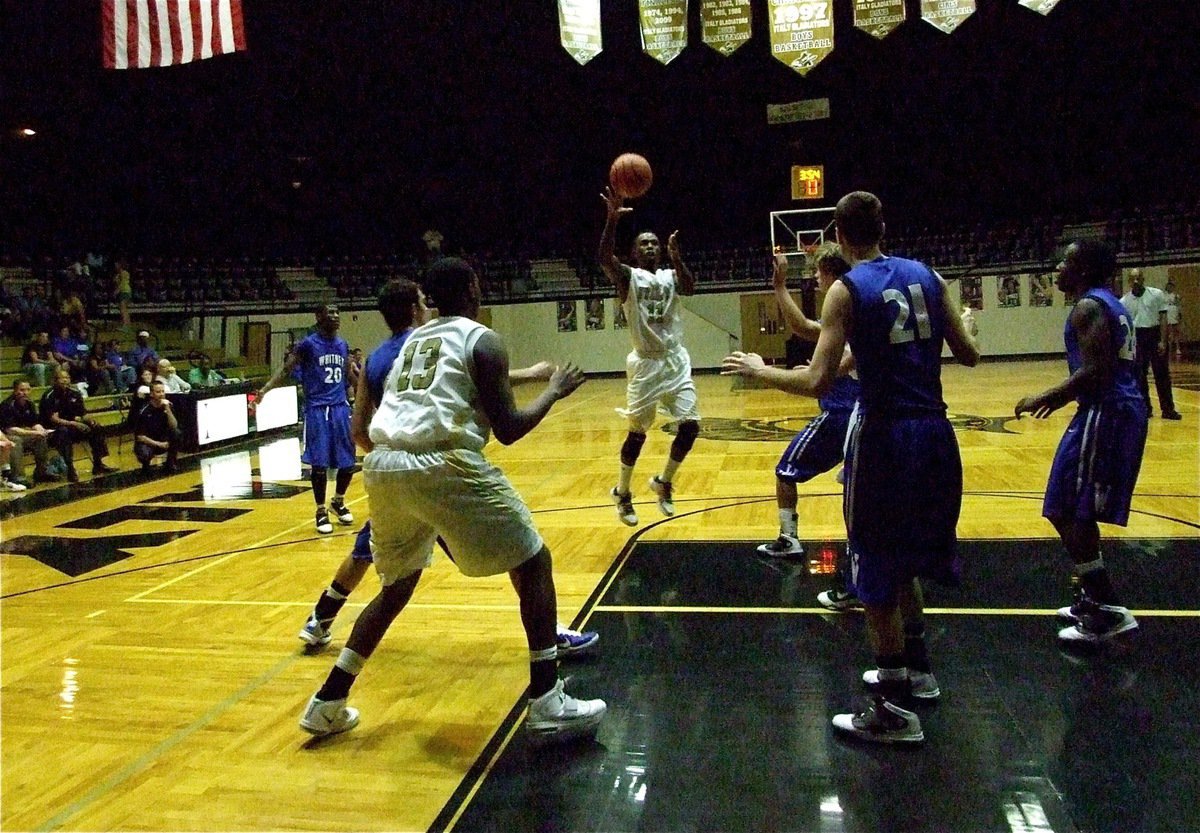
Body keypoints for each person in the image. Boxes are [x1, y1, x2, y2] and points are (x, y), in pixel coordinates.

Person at [299, 257, 606, 744]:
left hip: (384, 467)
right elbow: (507, 430)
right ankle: (547, 698)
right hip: (442, 463)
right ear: (471, 288)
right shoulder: (481, 338)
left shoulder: (412, 341)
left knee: (396, 588)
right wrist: (552, 392)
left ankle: (326, 703)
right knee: (535, 562)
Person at [723, 191, 980, 744]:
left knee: (873, 566)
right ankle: (919, 672)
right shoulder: (927, 277)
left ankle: (889, 709)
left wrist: (759, 370)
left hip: (884, 436)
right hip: (935, 433)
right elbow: (970, 354)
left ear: (838, 233)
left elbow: (818, 380)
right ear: (883, 226)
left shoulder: (846, 289)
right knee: (908, 554)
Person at [1016, 241, 1147, 645]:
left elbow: (1097, 371)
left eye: (1066, 261)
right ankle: (1095, 598)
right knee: (1068, 507)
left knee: (1064, 507)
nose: (1057, 267)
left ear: (1085, 269)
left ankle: (1106, 608)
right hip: (1113, 410)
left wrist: (1047, 397)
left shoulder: (1089, 307)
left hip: (1106, 411)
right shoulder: (1108, 302)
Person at [756, 247, 864, 611]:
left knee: (786, 471)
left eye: (818, 273)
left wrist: (766, 370)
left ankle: (790, 539)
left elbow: (821, 377)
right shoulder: (853, 312)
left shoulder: (847, 311)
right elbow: (801, 326)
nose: (815, 279)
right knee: (861, 501)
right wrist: (779, 286)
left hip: (842, 414)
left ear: (830, 273)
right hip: (860, 417)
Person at [599, 186, 700, 526]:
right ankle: (623, 492)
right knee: (637, 434)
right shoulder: (629, 278)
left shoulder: (672, 275)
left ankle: (664, 482)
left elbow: (690, 287)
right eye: (643, 242)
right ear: (634, 251)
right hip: (645, 363)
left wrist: (677, 256)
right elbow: (603, 260)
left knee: (691, 426)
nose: (650, 246)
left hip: (675, 360)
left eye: (654, 242)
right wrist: (612, 220)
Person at [257, 303, 356, 535]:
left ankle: (338, 501)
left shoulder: (342, 345)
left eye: (337, 312)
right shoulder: (308, 344)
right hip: (317, 409)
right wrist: (265, 389)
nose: (334, 316)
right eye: (329, 312)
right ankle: (321, 510)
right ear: (318, 316)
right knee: (319, 464)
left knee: (348, 462)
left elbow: (349, 376)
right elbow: (285, 369)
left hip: (340, 407)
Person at [1119, 269, 1181, 419]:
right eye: (1132, 279)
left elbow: (1163, 318)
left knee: (1162, 374)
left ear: (1143, 279)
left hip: (1154, 334)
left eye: (1138, 278)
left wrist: (1162, 340)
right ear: (1128, 281)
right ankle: (1146, 408)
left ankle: (1168, 409)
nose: (1136, 281)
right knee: (1139, 375)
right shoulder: (1124, 301)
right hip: (1137, 337)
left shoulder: (1156, 294)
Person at [39, 368, 118, 482]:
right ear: (55, 380)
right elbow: (54, 419)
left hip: (73, 426)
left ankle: (98, 463)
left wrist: (90, 420)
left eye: (67, 378)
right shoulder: (50, 396)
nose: (65, 380)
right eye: (62, 378)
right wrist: (75, 424)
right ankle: (70, 468)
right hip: (54, 429)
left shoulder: (74, 393)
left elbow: (82, 413)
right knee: (63, 432)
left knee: (96, 428)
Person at [0, 380, 57, 484]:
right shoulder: (7, 405)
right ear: (15, 391)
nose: (25, 393)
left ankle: (42, 472)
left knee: (41, 437)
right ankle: (18, 477)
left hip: (24, 433)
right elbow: (11, 429)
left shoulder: (29, 404)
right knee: (16, 441)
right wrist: (34, 433)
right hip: (7, 435)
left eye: (27, 390)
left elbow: (34, 422)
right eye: (22, 390)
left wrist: (41, 430)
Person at [131, 380, 180, 472]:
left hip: (163, 438)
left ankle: (171, 462)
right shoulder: (144, 411)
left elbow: (174, 426)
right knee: (144, 452)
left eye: (162, 391)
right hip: (148, 442)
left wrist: (167, 409)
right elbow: (140, 437)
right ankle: (146, 466)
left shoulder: (168, 406)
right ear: (151, 394)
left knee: (177, 433)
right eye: (158, 392)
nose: (161, 394)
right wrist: (159, 444)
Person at [1163, 279, 1182, 362]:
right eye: (1168, 286)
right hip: (1167, 312)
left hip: (1174, 312)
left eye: (1171, 286)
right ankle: (1169, 349)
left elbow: (1178, 305)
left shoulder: (1176, 296)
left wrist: (1179, 314)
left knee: (1176, 332)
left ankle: (1178, 348)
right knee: (1168, 332)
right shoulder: (1164, 295)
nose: (1170, 288)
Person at [113, 260, 132, 327]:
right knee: (123, 308)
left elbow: (122, 283)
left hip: (124, 291)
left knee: (122, 308)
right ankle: (128, 323)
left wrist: (116, 291)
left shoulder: (124, 273)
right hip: (121, 292)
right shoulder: (117, 275)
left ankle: (125, 324)